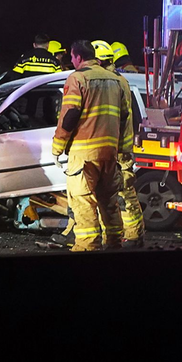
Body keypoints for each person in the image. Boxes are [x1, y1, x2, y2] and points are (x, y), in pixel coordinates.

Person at [51, 40, 128, 252]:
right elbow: (124, 116)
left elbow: (70, 114)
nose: (72, 62)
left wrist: (58, 147)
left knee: (83, 201)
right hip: (109, 152)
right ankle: (114, 243)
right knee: (108, 200)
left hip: (84, 154)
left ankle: (88, 247)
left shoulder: (78, 78)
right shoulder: (115, 80)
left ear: (77, 57)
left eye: (72, 58)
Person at [92, 40, 145, 247]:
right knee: (120, 193)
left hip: (114, 146)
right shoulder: (118, 80)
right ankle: (128, 236)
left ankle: (129, 236)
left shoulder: (109, 81)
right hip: (118, 145)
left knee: (121, 194)